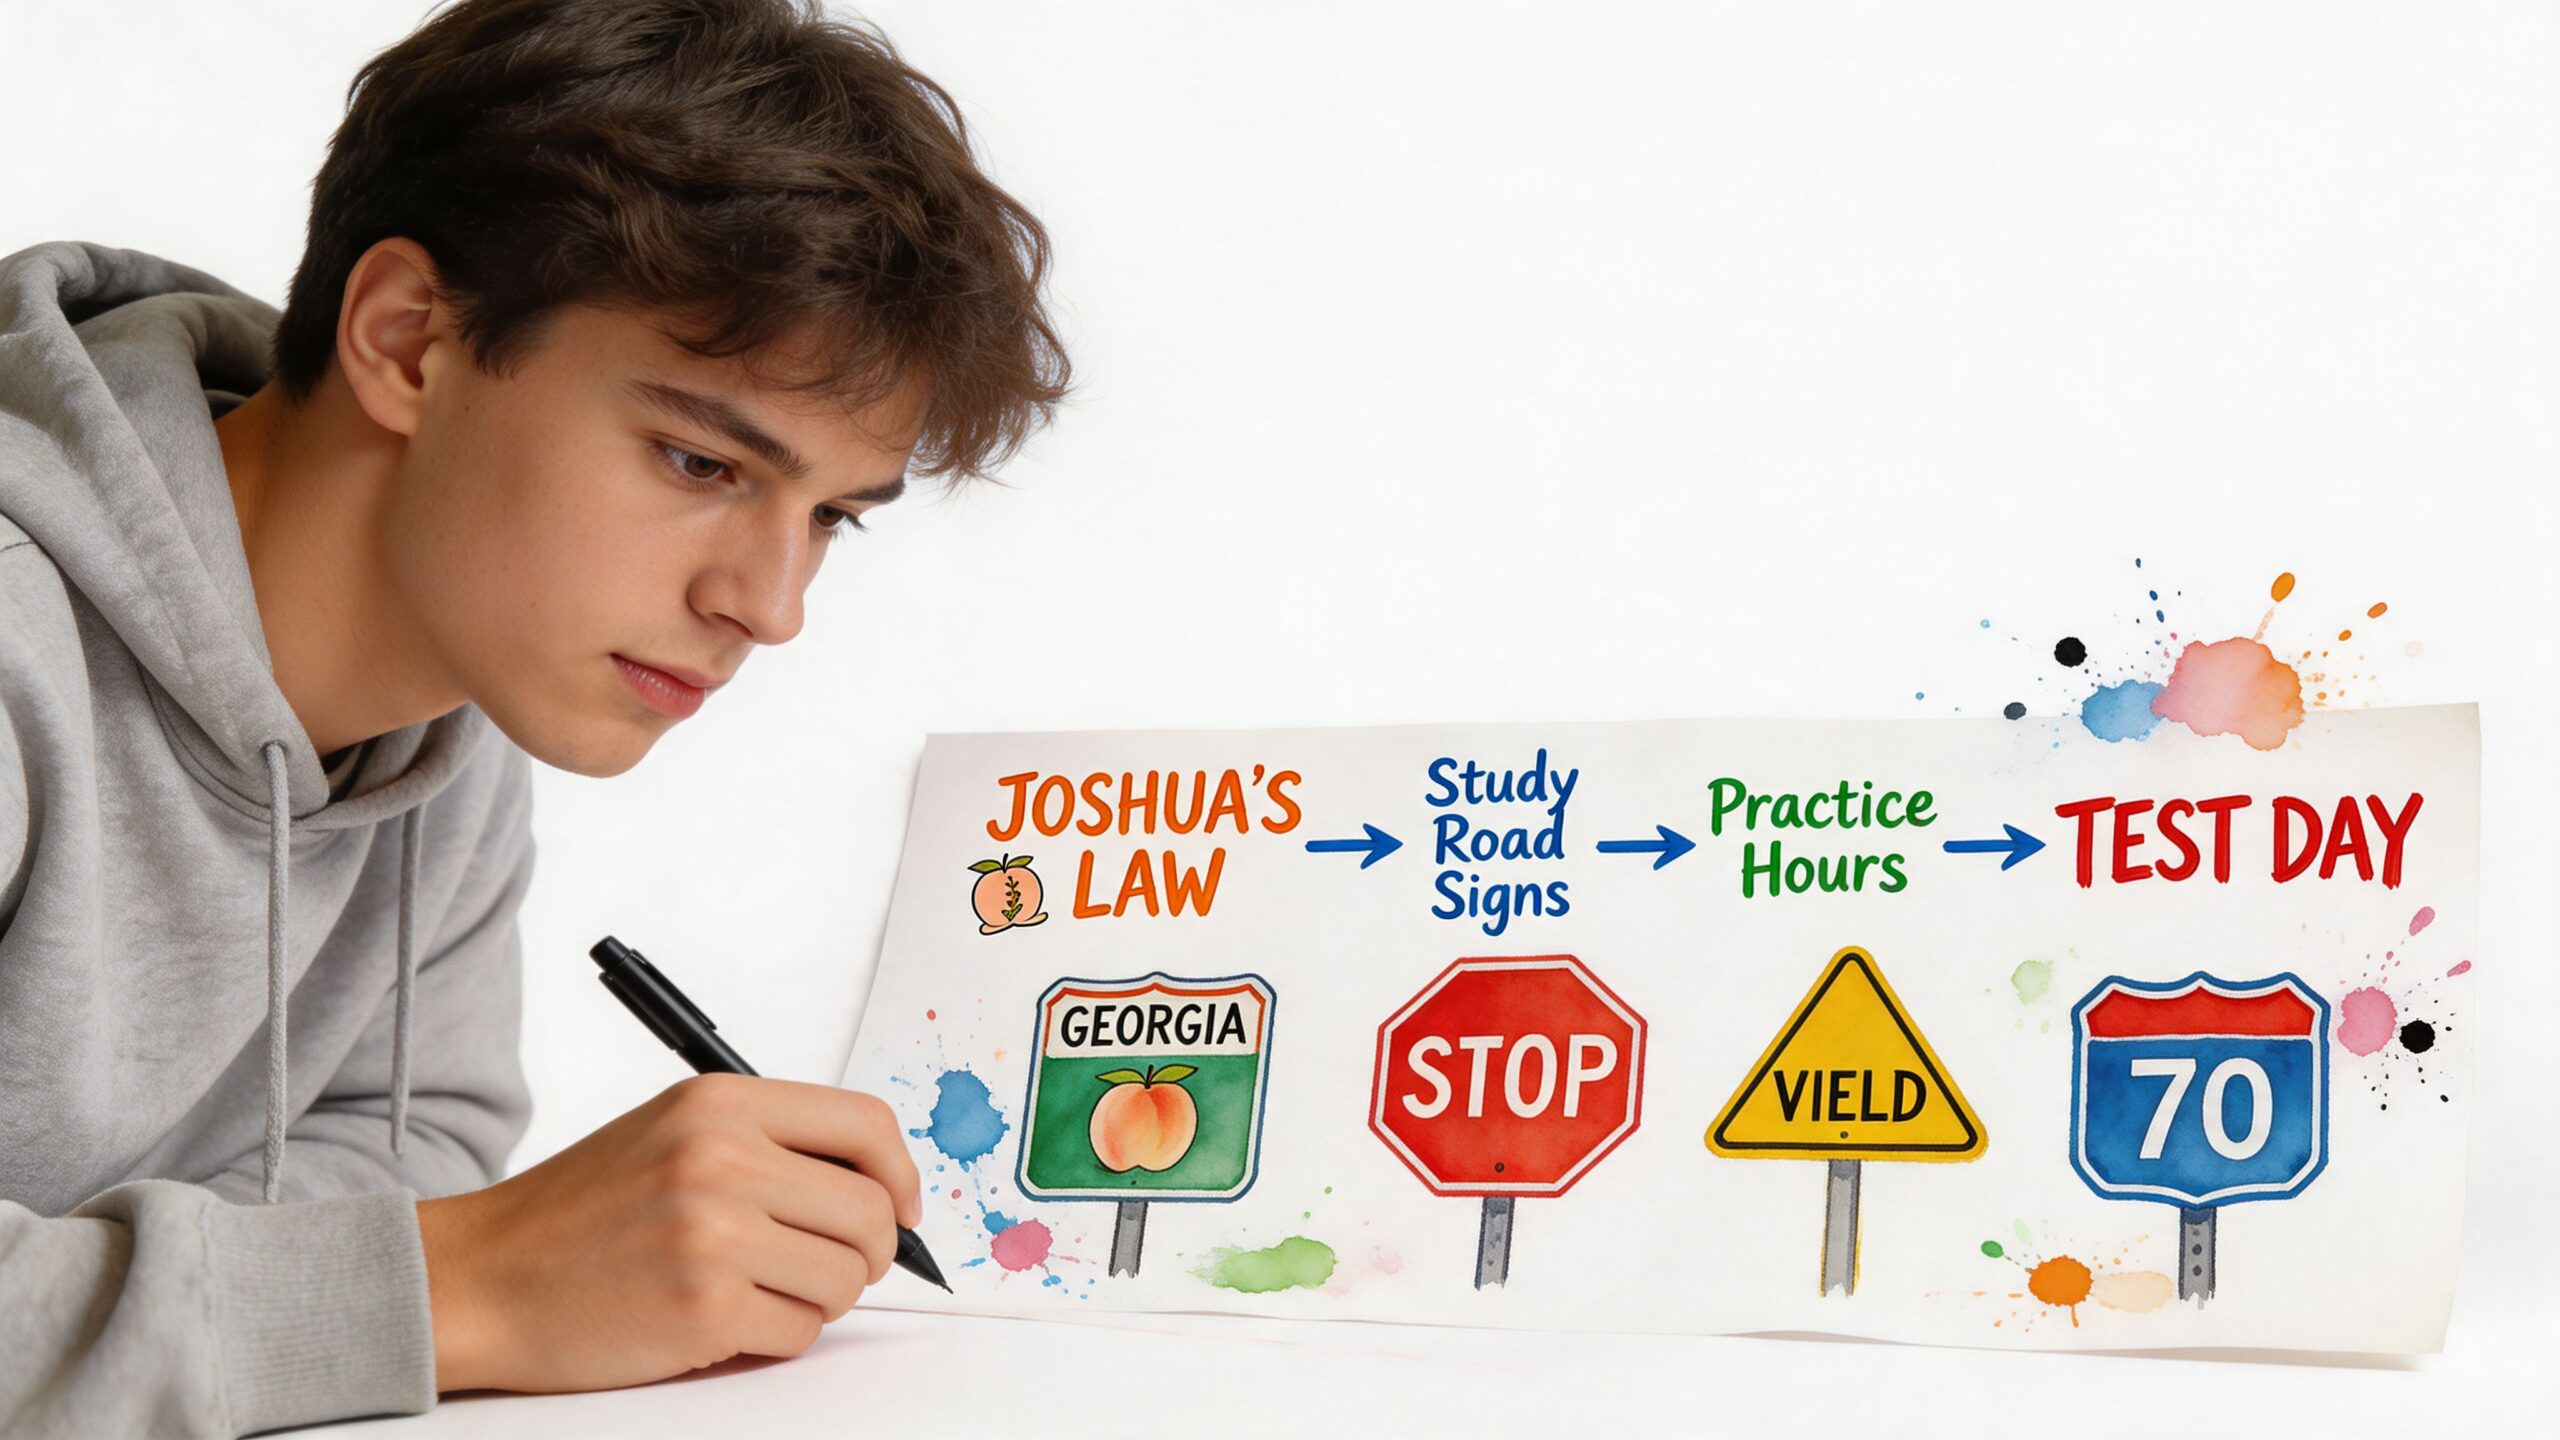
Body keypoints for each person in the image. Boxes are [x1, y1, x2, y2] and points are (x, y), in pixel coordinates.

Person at [0, 0, 1071, 1433]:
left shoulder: (458, 689)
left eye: (830, 520)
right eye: (700, 459)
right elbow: (443, 1233)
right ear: (408, 342)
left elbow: (419, 1139)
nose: (771, 605)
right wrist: (478, 1285)